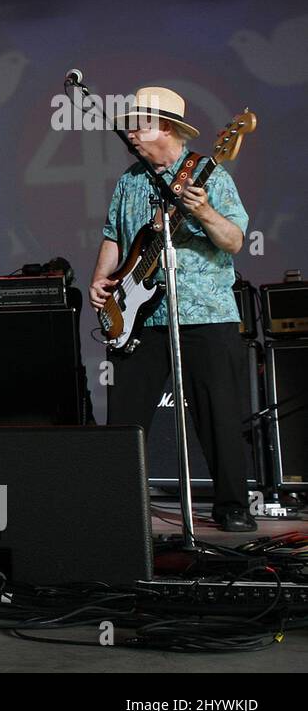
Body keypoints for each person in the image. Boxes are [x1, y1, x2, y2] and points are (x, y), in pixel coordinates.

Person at [88, 86, 254, 532]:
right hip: (141, 316)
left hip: (206, 312)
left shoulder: (209, 175)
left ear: (165, 127)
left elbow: (234, 240)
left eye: (139, 125)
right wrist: (101, 279)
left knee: (217, 411)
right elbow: (113, 235)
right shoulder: (130, 180)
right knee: (124, 415)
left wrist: (203, 214)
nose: (132, 134)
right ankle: (115, 504)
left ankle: (232, 506)